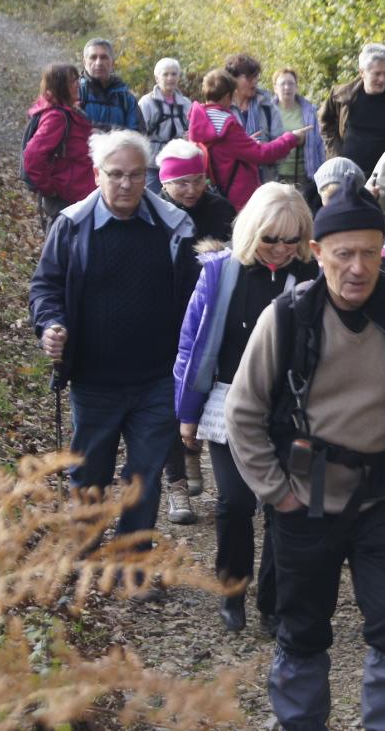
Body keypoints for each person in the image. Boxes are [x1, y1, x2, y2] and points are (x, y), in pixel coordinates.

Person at [225, 179, 385, 731]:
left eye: (369, 252)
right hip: (304, 500)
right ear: (318, 253)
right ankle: (298, 721)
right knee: (301, 627)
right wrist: (277, 493)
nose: (357, 267)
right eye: (343, 254)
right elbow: (243, 412)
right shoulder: (287, 317)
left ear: (384, 250)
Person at [28, 130, 198, 599]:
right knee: (89, 476)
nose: (125, 184)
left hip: (156, 378)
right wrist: (50, 326)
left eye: (135, 175)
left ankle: (132, 569)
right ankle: (83, 564)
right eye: (115, 174)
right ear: (98, 174)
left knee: (143, 477)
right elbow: (45, 286)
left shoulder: (173, 227)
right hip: (94, 379)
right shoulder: (72, 225)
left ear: (149, 176)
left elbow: (194, 299)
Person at [174, 182, 318, 633]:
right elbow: (192, 345)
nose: (279, 249)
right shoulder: (221, 272)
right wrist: (187, 413)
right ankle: (232, 587)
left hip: (290, 408)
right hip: (228, 401)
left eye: (291, 239)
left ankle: (273, 601)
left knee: (284, 506)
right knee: (235, 502)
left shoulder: (312, 278)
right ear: (252, 230)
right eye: (270, 238)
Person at [156, 140, 236, 524]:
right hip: (165, 317)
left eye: (198, 180)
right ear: (165, 182)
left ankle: (193, 449)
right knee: (169, 396)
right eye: (181, 182)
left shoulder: (220, 210)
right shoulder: (153, 212)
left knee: (202, 388)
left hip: (209, 318)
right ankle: (176, 485)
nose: (191, 189)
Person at [187, 68, 309, 212]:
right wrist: (291, 138)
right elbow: (263, 154)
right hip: (238, 201)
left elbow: (222, 151)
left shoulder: (201, 121)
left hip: (216, 195)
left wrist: (245, 142)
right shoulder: (228, 126)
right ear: (227, 96)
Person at [319, 43, 385, 177]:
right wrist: (335, 154)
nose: (382, 79)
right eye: (377, 74)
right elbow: (325, 122)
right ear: (362, 72)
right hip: (346, 176)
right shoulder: (341, 96)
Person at [23, 63, 94, 231]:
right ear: (60, 86)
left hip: (77, 197)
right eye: (72, 81)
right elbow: (33, 157)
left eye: (77, 79)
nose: (78, 84)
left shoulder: (71, 111)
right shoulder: (56, 117)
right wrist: (51, 187)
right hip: (66, 201)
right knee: (60, 253)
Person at [224, 53, 285, 184]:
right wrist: (247, 148)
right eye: (248, 77)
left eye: (256, 76)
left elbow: (282, 149)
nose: (255, 81)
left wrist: (265, 149)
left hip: (265, 184)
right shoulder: (222, 109)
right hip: (232, 185)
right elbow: (217, 154)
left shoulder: (268, 107)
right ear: (232, 79)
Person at [139, 57, 193, 190]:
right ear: (157, 78)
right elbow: (139, 133)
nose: (170, 78)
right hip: (153, 165)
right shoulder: (146, 102)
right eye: (166, 74)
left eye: (174, 74)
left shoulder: (186, 103)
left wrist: (189, 136)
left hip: (179, 161)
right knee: (151, 200)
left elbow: (193, 130)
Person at [271, 67, 325, 188]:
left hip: (304, 173)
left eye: (291, 83)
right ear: (275, 88)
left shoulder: (310, 111)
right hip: (275, 173)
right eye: (282, 84)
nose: (287, 87)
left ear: (296, 87)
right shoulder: (267, 112)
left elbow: (319, 143)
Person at [78, 38, 146, 134]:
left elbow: (138, 134)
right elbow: (74, 128)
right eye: (93, 57)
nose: (99, 63)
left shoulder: (126, 98)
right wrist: (117, 132)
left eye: (104, 57)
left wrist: (103, 132)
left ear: (113, 63)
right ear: (84, 63)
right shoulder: (74, 93)